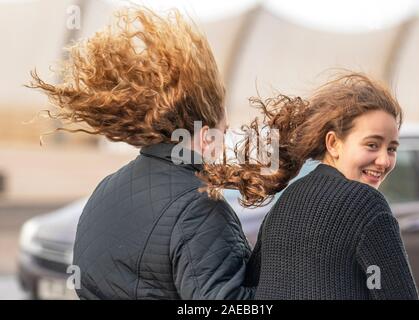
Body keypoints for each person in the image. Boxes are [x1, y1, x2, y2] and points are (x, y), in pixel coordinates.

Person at [29, 7, 254, 300]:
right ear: (206, 130)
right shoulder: (201, 208)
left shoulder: (106, 189)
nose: (224, 143)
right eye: (224, 130)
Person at [200, 72, 419, 299]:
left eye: (392, 148)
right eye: (372, 145)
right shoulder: (366, 203)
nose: (384, 160)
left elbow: (257, 287)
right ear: (333, 143)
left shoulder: (287, 200)